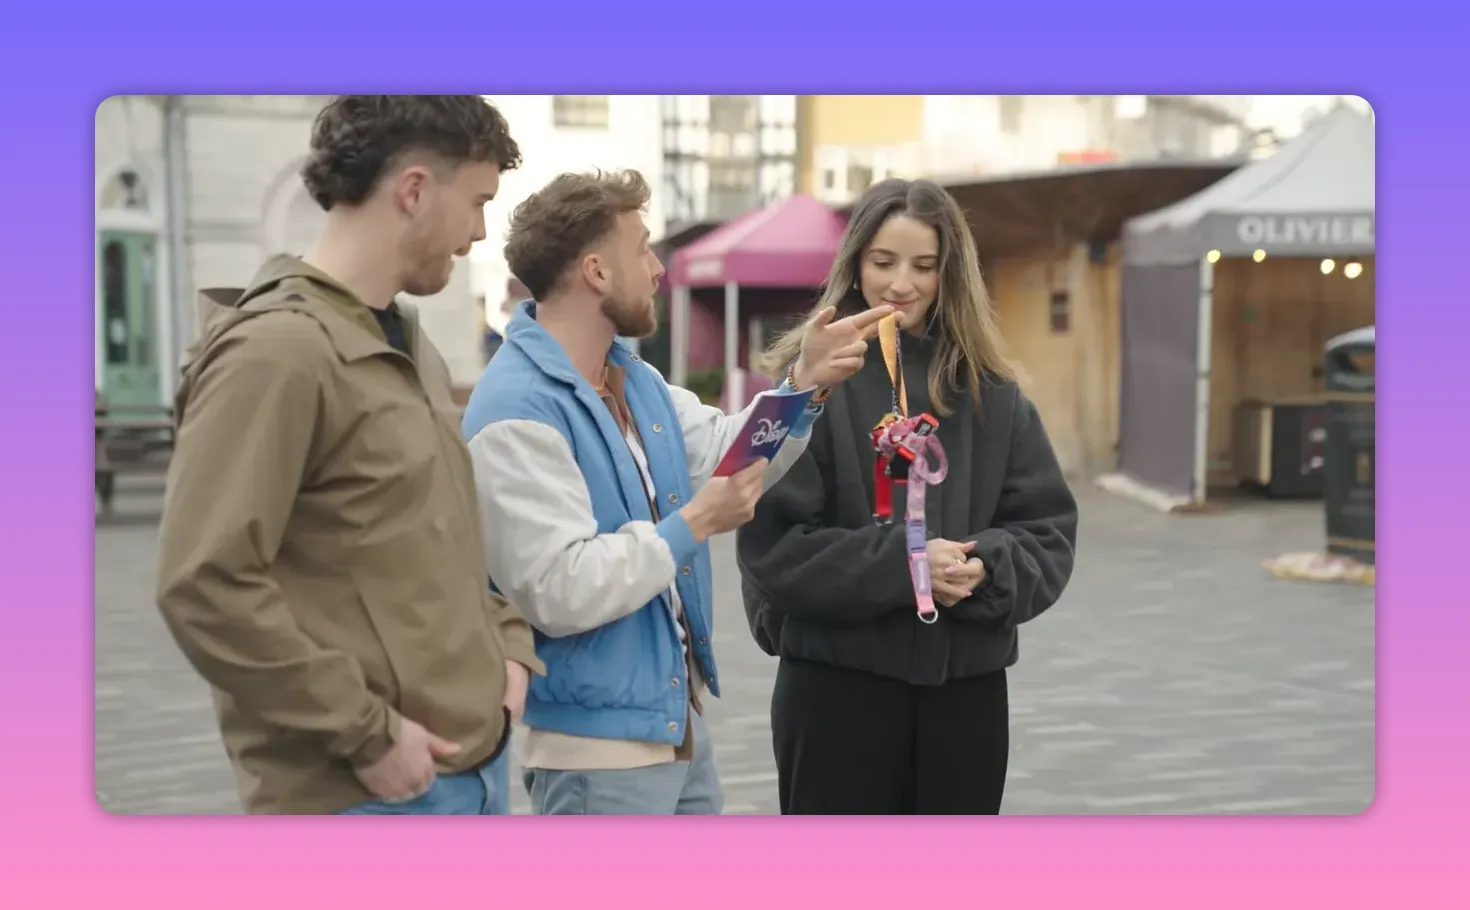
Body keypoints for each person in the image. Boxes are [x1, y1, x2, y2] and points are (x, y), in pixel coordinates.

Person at [154, 95, 544, 816]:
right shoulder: (276, 351)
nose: (478, 233)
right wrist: (367, 737)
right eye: (477, 203)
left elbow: (434, 535)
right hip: (364, 793)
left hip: (472, 771)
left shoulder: (406, 341)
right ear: (415, 190)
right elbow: (203, 582)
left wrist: (509, 646)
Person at [461, 168, 893, 815]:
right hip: (597, 753)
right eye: (642, 247)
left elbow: (728, 452)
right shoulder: (516, 410)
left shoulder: (633, 381)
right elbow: (558, 586)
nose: (659, 267)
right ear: (596, 272)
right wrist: (690, 524)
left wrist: (804, 381)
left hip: (674, 727)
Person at [736, 178, 1079, 815]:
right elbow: (770, 548)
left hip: (965, 697)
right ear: (855, 263)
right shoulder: (805, 385)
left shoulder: (994, 395)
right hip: (837, 693)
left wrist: (986, 567)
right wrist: (908, 564)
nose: (902, 284)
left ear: (952, 274)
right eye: (883, 262)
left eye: (924, 266)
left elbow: (1048, 533)